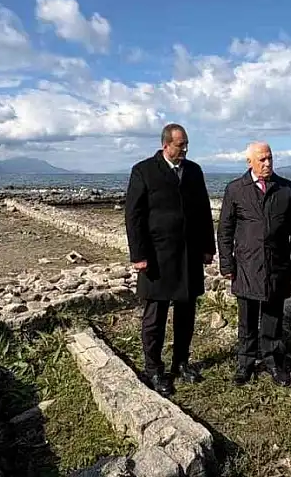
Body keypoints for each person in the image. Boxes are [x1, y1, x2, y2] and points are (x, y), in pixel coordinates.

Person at [124, 123, 217, 397]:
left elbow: (203, 211)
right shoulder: (143, 170)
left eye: (187, 144)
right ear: (166, 145)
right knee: (155, 316)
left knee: (186, 314)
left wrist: (207, 247)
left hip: (189, 255)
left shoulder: (194, 171)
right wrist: (139, 255)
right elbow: (134, 215)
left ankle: (181, 362)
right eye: (180, 145)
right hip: (157, 257)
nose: (185, 149)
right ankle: (154, 368)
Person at [217, 141, 291, 386]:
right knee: (246, 319)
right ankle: (244, 363)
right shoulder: (235, 189)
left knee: (273, 317)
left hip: (277, 265)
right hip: (246, 265)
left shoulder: (286, 188)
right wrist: (227, 264)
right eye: (262, 160)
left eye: (270, 158)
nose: (267, 163)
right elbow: (225, 229)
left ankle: (274, 362)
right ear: (250, 162)